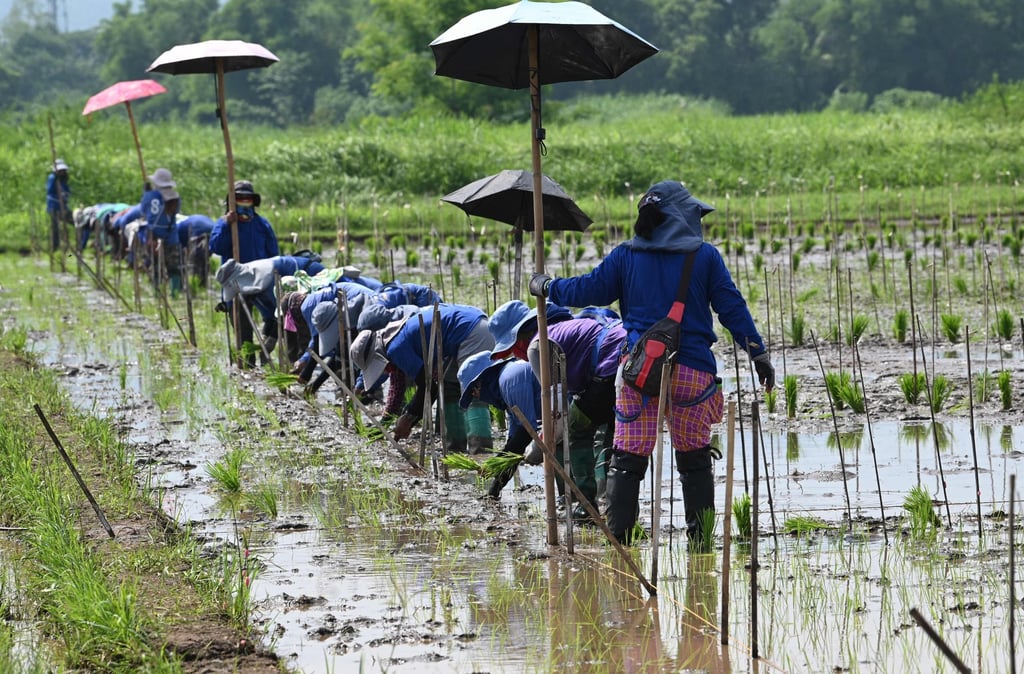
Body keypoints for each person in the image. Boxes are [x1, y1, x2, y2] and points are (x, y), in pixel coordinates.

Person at [530, 179, 775, 548]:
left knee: (628, 458)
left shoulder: (626, 256)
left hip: (640, 373)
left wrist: (547, 286)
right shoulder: (704, 257)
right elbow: (732, 308)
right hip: (693, 372)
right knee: (694, 460)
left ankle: (621, 545)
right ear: (681, 217)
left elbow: (587, 290)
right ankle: (701, 546)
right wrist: (758, 353)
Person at [349, 303, 493, 454]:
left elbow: (429, 387)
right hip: (469, 329)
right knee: (451, 389)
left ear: (378, 356)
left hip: (472, 333)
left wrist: (409, 418)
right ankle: (455, 450)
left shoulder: (396, 348)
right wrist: (407, 417)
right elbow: (430, 384)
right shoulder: (394, 340)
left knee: (472, 392)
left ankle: (481, 453)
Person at [456, 351, 543, 499]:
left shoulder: (511, 379)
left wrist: (494, 464)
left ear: (480, 382)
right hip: (559, 413)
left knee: (562, 450)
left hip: (567, 404)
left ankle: (571, 500)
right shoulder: (506, 389)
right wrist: (494, 491)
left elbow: (527, 430)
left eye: (473, 392)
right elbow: (514, 447)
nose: (476, 396)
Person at [208, 180, 279, 263]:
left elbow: (274, 255)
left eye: (247, 200)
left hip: (259, 273)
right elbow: (216, 248)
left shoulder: (262, 224)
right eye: (240, 199)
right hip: (234, 273)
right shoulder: (223, 223)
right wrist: (227, 225)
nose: (244, 203)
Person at [45, 158, 72, 252]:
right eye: (60, 171)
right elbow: (50, 193)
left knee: (73, 221)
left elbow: (67, 190)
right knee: (55, 228)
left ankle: (70, 246)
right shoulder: (52, 178)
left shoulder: (63, 178)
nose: (62, 172)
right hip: (54, 207)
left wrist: (65, 195)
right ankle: (54, 248)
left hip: (63, 206)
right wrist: (59, 198)